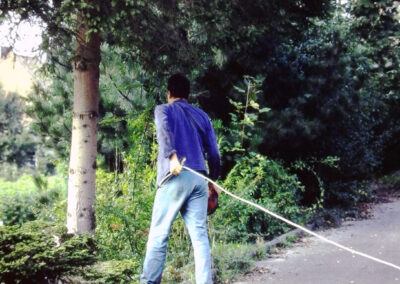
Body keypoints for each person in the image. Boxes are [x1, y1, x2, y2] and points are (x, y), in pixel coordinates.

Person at [140, 73, 220, 284]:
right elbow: (214, 154)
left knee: (159, 235)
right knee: (200, 237)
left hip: (174, 178)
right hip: (199, 181)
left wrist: (172, 157)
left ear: (169, 93)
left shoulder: (163, 110)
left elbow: (164, 131)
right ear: (188, 94)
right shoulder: (202, 116)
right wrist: (213, 182)